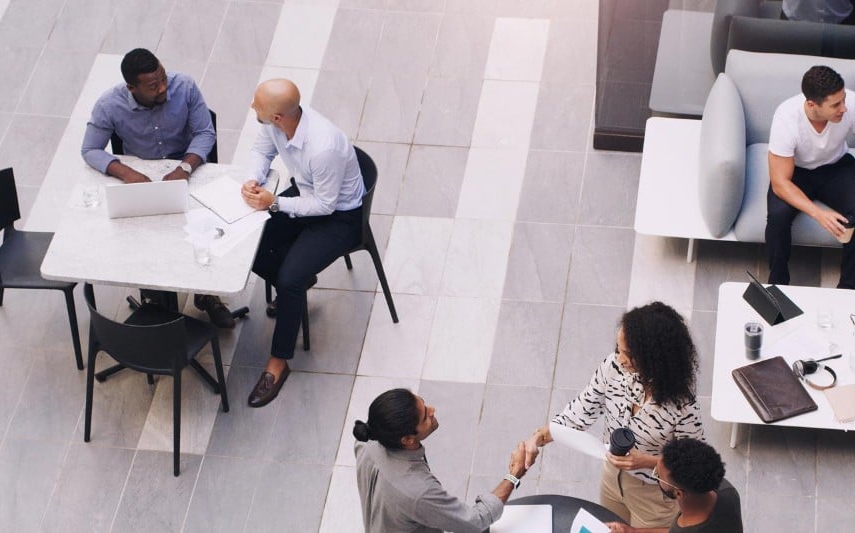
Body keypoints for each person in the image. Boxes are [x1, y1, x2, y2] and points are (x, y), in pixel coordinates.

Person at [79, 48, 233, 328]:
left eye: (162, 79)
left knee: (201, 234)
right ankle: (156, 304)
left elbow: (204, 132)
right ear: (131, 87)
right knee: (147, 238)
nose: (163, 88)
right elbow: (90, 149)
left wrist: (184, 168)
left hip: (187, 169)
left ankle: (207, 295)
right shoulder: (109, 105)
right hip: (144, 177)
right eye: (153, 86)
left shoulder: (184, 86)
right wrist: (126, 173)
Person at [239, 79, 365, 407]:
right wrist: (253, 179)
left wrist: (274, 203)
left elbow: (325, 206)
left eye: (257, 104)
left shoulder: (323, 146)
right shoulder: (275, 123)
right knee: (249, 244)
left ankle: (279, 362)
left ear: (278, 117)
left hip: (339, 216)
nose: (253, 106)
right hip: (306, 195)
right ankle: (295, 287)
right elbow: (261, 151)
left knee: (289, 279)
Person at [524, 302, 705, 528]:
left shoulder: (682, 404)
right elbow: (580, 411)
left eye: (627, 354)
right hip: (612, 478)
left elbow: (694, 465)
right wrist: (537, 439)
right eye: (618, 349)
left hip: (653, 497)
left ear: (654, 358)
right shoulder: (613, 368)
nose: (619, 358)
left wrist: (648, 462)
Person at [766, 65, 855, 289]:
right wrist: (819, 214)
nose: (844, 108)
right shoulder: (786, 118)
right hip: (797, 172)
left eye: (843, 100)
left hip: (835, 167)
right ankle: (777, 285)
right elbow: (780, 183)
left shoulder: (850, 103)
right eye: (836, 105)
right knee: (778, 217)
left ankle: (849, 287)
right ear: (812, 105)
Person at [354, 388, 529, 533]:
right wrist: (514, 474)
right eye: (425, 416)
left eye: (423, 402)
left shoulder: (367, 439)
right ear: (407, 439)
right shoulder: (418, 492)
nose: (432, 410)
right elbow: (476, 521)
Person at [605, 438, 743, 533]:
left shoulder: (688, 527)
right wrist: (632, 531)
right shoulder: (726, 491)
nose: (657, 476)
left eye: (657, 475)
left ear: (679, 493)